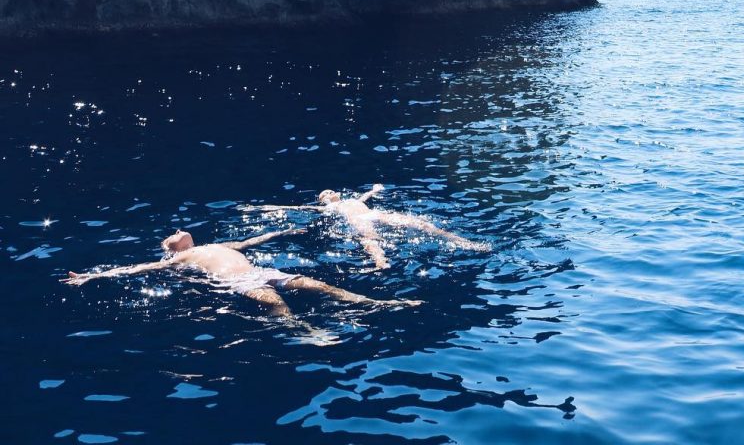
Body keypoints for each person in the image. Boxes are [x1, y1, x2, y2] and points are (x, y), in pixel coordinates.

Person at [63, 227, 421, 340]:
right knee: (277, 306)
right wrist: (95, 275)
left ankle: (379, 304)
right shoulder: (178, 258)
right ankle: (308, 332)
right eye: (172, 236)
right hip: (237, 283)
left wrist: (284, 230)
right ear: (172, 249)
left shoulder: (214, 244)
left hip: (264, 271)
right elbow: (137, 269)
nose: (176, 231)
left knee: (319, 286)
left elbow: (252, 243)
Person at [244, 185, 490, 270]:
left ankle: (463, 241)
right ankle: (381, 262)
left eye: (330, 191)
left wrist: (375, 189)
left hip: (374, 214)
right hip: (359, 221)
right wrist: (263, 207)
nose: (328, 194)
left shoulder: (351, 200)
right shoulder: (327, 209)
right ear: (323, 201)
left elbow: (365, 198)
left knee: (421, 223)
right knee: (369, 241)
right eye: (324, 194)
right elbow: (297, 209)